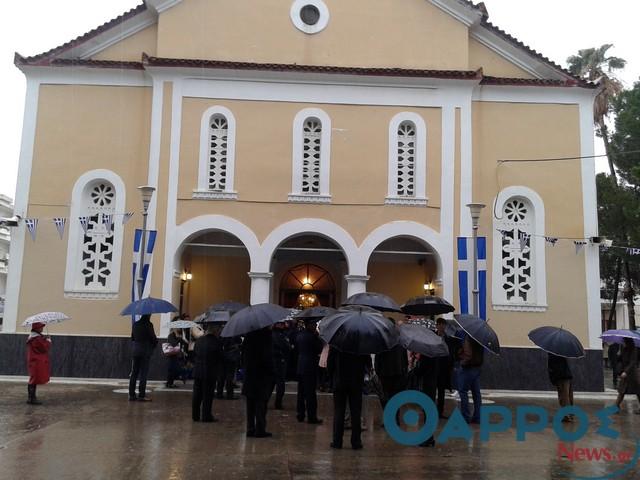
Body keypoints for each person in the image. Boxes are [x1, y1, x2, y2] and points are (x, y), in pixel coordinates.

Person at [328, 347, 370, 450]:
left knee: (339, 411)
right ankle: (356, 442)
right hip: (356, 382)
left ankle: (337, 441)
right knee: (356, 412)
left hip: (339, 381)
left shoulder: (336, 343)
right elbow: (368, 363)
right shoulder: (361, 344)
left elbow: (330, 363)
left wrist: (332, 377)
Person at [243, 327, 275, 437]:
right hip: (262, 375)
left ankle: (250, 428)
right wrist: (272, 371)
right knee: (261, 404)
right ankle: (260, 429)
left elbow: (244, 354)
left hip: (250, 373)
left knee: (250, 404)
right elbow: (268, 357)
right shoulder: (266, 336)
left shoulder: (249, 335)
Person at [192, 322, 224, 422]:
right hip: (210, 372)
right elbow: (220, 357)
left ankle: (195, 415)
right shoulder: (216, 342)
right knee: (208, 395)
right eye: (219, 329)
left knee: (197, 394)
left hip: (198, 371)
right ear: (215, 330)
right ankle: (206, 416)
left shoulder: (199, 340)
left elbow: (194, 353)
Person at [295, 319, 324, 424]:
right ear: (310, 325)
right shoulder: (312, 337)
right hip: (310, 367)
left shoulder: (300, 335)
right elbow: (319, 348)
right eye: (314, 324)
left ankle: (300, 414)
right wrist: (318, 336)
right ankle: (312, 416)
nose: (315, 326)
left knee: (301, 392)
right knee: (310, 393)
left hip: (301, 365)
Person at [129, 314, 158, 402]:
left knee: (134, 373)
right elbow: (153, 338)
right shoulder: (149, 324)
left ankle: (131, 395)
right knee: (143, 374)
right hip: (145, 351)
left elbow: (132, 337)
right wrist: (154, 344)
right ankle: (141, 395)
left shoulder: (135, 324)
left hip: (135, 351)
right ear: (148, 315)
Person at [458, 335, 484, 424]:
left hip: (468, 368)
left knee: (463, 392)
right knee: (476, 393)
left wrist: (462, 361)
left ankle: (465, 417)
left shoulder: (468, 337)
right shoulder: (480, 338)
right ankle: (478, 417)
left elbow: (468, 355)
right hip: (477, 367)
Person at [436, 317, 458, 418]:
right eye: (441, 325)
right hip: (433, 367)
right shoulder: (433, 336)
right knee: (431, 390)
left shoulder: (448, 339)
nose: (443, 327)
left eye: (444, 325)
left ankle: (440, 411)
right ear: (437, 325)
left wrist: (451, 365)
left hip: (443, 368)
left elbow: (450, 352)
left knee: (441, 391)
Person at [415, 353, 439, 447]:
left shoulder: (426, 355)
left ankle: (428, 438)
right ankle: (429, 438)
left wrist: (417, 363)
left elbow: (420, 371)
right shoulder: (434, 354)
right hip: (432, 384)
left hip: (427, 385)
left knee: (427, 412)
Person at [375, 343, 407, 408]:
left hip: (384, 373)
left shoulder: (382, 342)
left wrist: (378, 371)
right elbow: (405, 360)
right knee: (396, 396)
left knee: (386, 395)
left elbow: (377, 360)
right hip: (398, 373)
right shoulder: (400, 343)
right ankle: (395, 412)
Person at [26, 322, 51, 405]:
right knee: (33, 379)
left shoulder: (35, 337)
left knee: (33, 379)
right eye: (41, 327)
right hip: (36, 361)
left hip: (34, 360)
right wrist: (48, 341)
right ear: (37, 328)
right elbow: (44, 348)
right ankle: (31, 398)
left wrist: (44, 338)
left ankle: (31, 398)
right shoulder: (36, 338)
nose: (42, 328)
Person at [615, 338, 640, 413]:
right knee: (622, 391)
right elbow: (620, 360)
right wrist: (618, 355)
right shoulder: (624, 349)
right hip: (625, 373)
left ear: (628, 342)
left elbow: (633, 362)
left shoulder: (634, 349)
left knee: (638, 391)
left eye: (624, 342)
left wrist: (626, 372)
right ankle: (616, 406)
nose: (623, 343)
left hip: (632, 374)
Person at [548, 353, 574, 422]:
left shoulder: (553, 354)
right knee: (568, 396)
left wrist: (553, 379)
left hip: (561, 377)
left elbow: (552, 368)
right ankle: (570, 414)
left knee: (563, 396)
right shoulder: (562, 352)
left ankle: (567, 415)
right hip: (567, 375)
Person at [271, 321, 292, 409]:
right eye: (281, 324)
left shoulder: (276, 334)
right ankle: (278, 403)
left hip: (275, 361)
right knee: (279, 383)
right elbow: (285, 346)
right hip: (279, 361)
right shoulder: (278, 335)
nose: (283, 325)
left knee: (273, 382)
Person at [217, 336, 242, 400]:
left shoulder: (222, 334)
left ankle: (219, 393)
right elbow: (239, 341)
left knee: (221, 376)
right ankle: (229, 395)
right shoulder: (234, 334)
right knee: (230, 376)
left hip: (222, 356)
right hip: (231, 357)